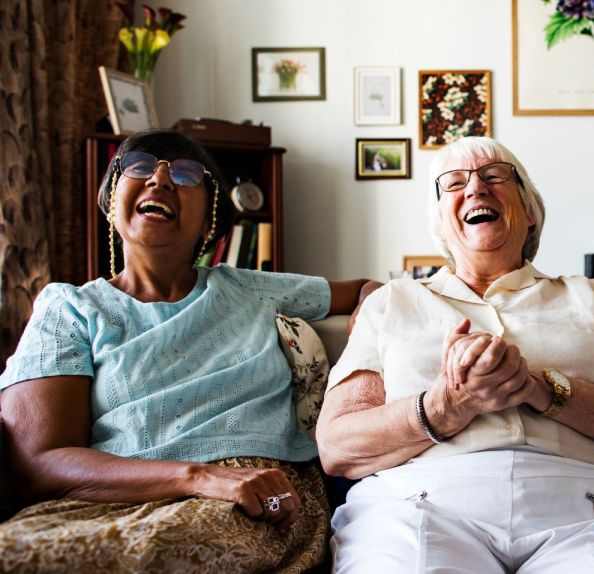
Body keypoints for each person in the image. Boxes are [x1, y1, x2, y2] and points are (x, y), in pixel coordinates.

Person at [0, 129, 379, 572]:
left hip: (257, 496)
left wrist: (371, 319)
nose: (160, 180)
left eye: (185, 175)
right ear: (110, 199)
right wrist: (196, 478)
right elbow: (39, 461)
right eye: (139, 166)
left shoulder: (249, 288)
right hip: (110, 499)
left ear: (209, 220)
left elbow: (367, 288)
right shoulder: (70, 308)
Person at [316, 136, 594, 573]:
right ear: (440, 222)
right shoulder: (392, 302)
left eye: (494, 176)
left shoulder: (590, 296)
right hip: (417, 506)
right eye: (454, 183)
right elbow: (338, 445)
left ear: (530, 211)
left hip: (584, 508)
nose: (476, 189)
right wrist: (447, 405)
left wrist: (537, 387)